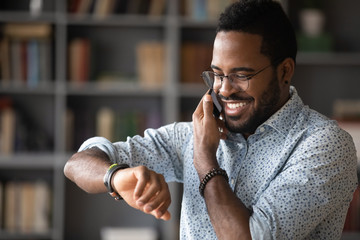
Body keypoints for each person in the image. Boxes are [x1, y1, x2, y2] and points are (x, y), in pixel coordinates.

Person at [64, 0, 358, 239]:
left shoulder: (326, 145)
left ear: (284, 71)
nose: (224, 89)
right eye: (217, 74)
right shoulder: (195, 133)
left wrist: (205, 159)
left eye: (241, 75)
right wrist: (116, 176)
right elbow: (77, 164)